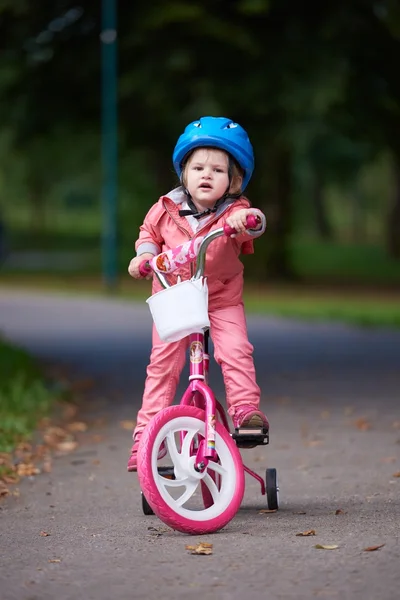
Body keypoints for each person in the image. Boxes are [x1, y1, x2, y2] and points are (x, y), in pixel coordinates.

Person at [127, 116, 269, 471]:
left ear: (233, 180)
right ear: (184, 173)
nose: (207, 175)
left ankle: (245, 412)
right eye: (198, 167)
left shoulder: (234, 212)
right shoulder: (165, 208)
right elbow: (148, 234)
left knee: (235, 350)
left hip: (220, 298)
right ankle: (147, 438)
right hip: (174, 298)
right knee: (162, 366)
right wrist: (144, 256)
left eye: (218, 170)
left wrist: (247, 220)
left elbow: (256, 223)